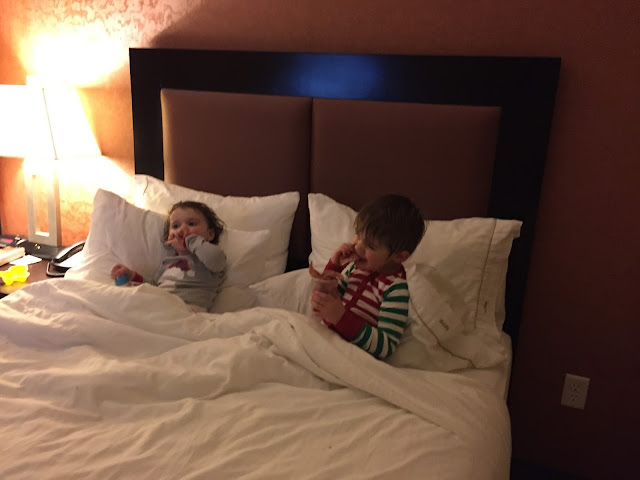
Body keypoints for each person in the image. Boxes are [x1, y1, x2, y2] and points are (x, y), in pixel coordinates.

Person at [310, 194, 425, 359]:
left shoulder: (395, 288)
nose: (358, 247)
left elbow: (386, 346)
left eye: (370, 245)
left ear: (399, 256)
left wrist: (340, 317)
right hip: (324, 340)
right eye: (358, 236)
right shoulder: (354, 269)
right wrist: (335, 265)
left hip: (351, 356)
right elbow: (322, 299)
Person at [111, 201, 227, 312]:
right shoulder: (168, 261)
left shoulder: (208, 257)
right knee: (122, 299)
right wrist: (133, 276)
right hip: (161, 303)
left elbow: (216, 259)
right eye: (175, 226)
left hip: (189, 309)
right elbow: (155, 285)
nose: (182, 229)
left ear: (210, 234)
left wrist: (191, 240)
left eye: (191, 224)